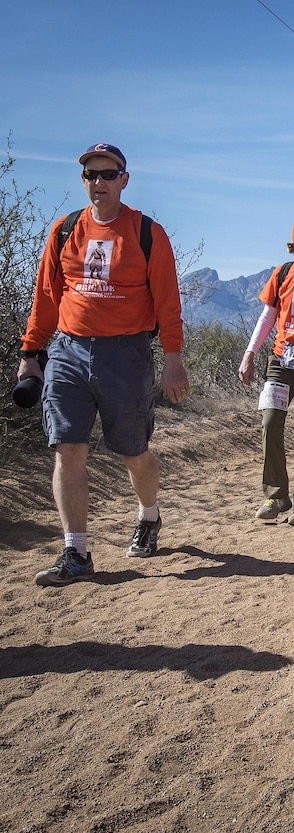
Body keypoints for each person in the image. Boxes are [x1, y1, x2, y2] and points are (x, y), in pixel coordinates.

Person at [18, 143, 188, 586]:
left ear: (124, 179)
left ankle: (149, 516)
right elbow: (46, 299)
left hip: (125, 354)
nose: (99, 183)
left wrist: (174, 360)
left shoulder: (147, 233)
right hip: (67, 351)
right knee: (68, 448)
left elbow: (169, 303)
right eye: (91, 175)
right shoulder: (64, 231)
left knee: (134, 453)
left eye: (108, 175)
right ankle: (76, 551)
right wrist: (29, 355)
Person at [238, 216, 294, 526]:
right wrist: (249, 354)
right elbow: (267, 318)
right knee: (270, 420)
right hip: (281, 360)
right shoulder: (284, 273)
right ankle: (276, 496)